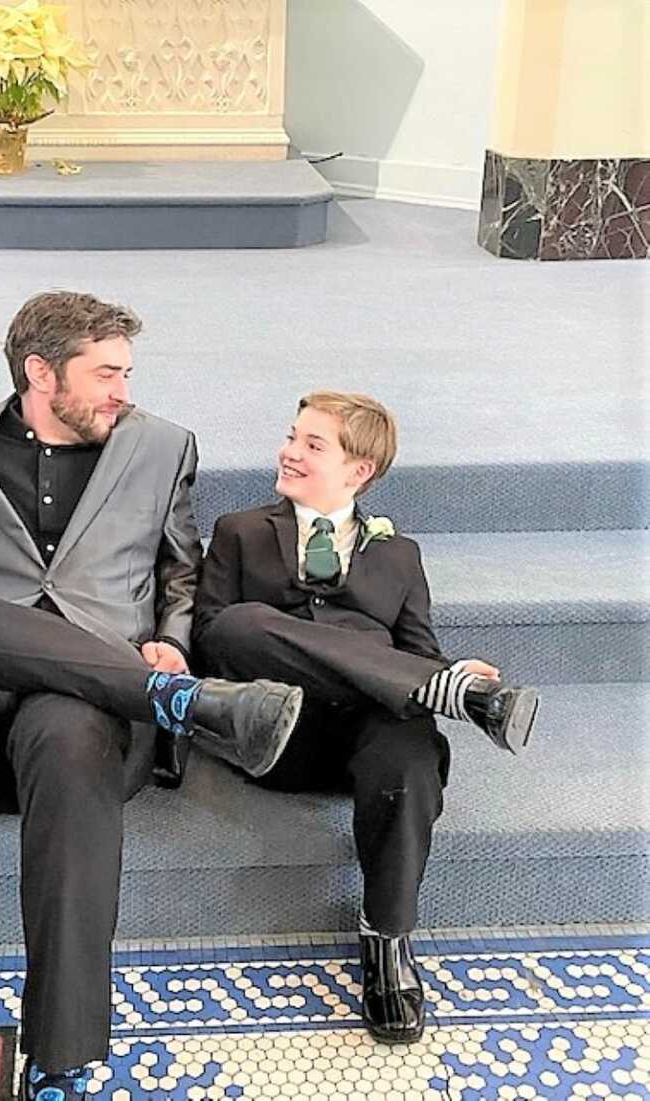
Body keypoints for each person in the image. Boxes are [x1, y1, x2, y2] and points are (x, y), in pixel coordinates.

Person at [0, 291, 303, 1100]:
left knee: (68, 721)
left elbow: (180, 573)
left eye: (128, 372)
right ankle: (182, 701)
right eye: (106, 373)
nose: (124, 390)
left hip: (85, 718)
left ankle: (58, 1057)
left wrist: (176, 637)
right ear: (39, 372)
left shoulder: (163, 446)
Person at [192, 390, 540, 1045]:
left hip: (366, 730)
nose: (288, 451)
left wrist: (437, 668)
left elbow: (417, 655)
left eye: (312, 444)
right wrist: (434, 681)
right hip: (277, 722)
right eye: (292, 436)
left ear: (359, 472)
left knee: (410, 748)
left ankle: (386, 942)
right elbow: (211, 635)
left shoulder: (400, 554)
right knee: (241, 622)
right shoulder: (239, 531)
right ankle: (457, 696)